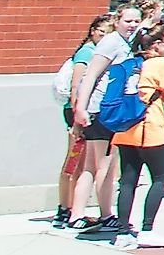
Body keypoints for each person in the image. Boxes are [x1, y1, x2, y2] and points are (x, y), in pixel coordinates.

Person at [105, 25, 164, 250]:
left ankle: (122, 232)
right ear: (156, 45)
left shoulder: (130, 64)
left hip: (125, 130)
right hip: (150, 129)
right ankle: (147, 229)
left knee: (128, 181)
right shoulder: (161, 63)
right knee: (159, 177)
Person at [71, 1, 143, 230]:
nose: (132, 25)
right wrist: (80, 109)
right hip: (102, 109)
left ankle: (80, 214)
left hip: (104, 108)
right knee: (104, 166)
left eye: (136, 21)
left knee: (95, 166)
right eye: (127, 21)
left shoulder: (124, 42)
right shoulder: (111, 44)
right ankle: (103, 215)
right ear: (117, 21)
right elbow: (90, 75)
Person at [52, 14, 116, 232]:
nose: (104, 37)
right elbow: (75, 87)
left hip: (82, 111)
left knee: (80, 163)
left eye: (108, 33)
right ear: (92, 31)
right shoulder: (86, 53)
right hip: (76, 112)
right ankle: (64, 209)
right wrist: (77, 119)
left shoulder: (97, 52)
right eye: (101, 32)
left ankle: (70, 209)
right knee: (74, 162)